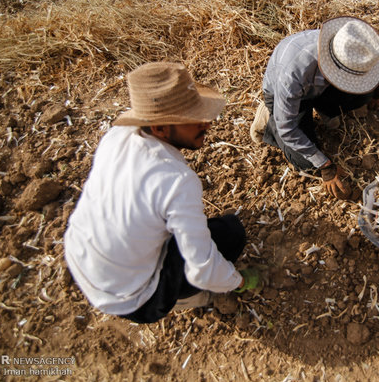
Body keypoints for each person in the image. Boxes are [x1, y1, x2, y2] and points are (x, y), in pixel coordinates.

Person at [64, 62, 260, 324]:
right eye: (194, 119)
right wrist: (239, 281)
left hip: (81, 258)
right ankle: (189, 299)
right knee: (231, 234)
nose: (207, 124)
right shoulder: (176, 180)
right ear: (159, 129)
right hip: (132, 299)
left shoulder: (117, 135)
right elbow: (203, 271)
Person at [250, 16, 379, 199]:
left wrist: (375, 93)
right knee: (305, 163)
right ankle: (269, 116)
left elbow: (371, 73)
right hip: (281, 94)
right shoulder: (292, 74)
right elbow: (288, 130)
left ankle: (324, 109)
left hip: (316, 87)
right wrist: (325, 166)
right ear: (335, 70)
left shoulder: (357, 47)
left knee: (362, 96)